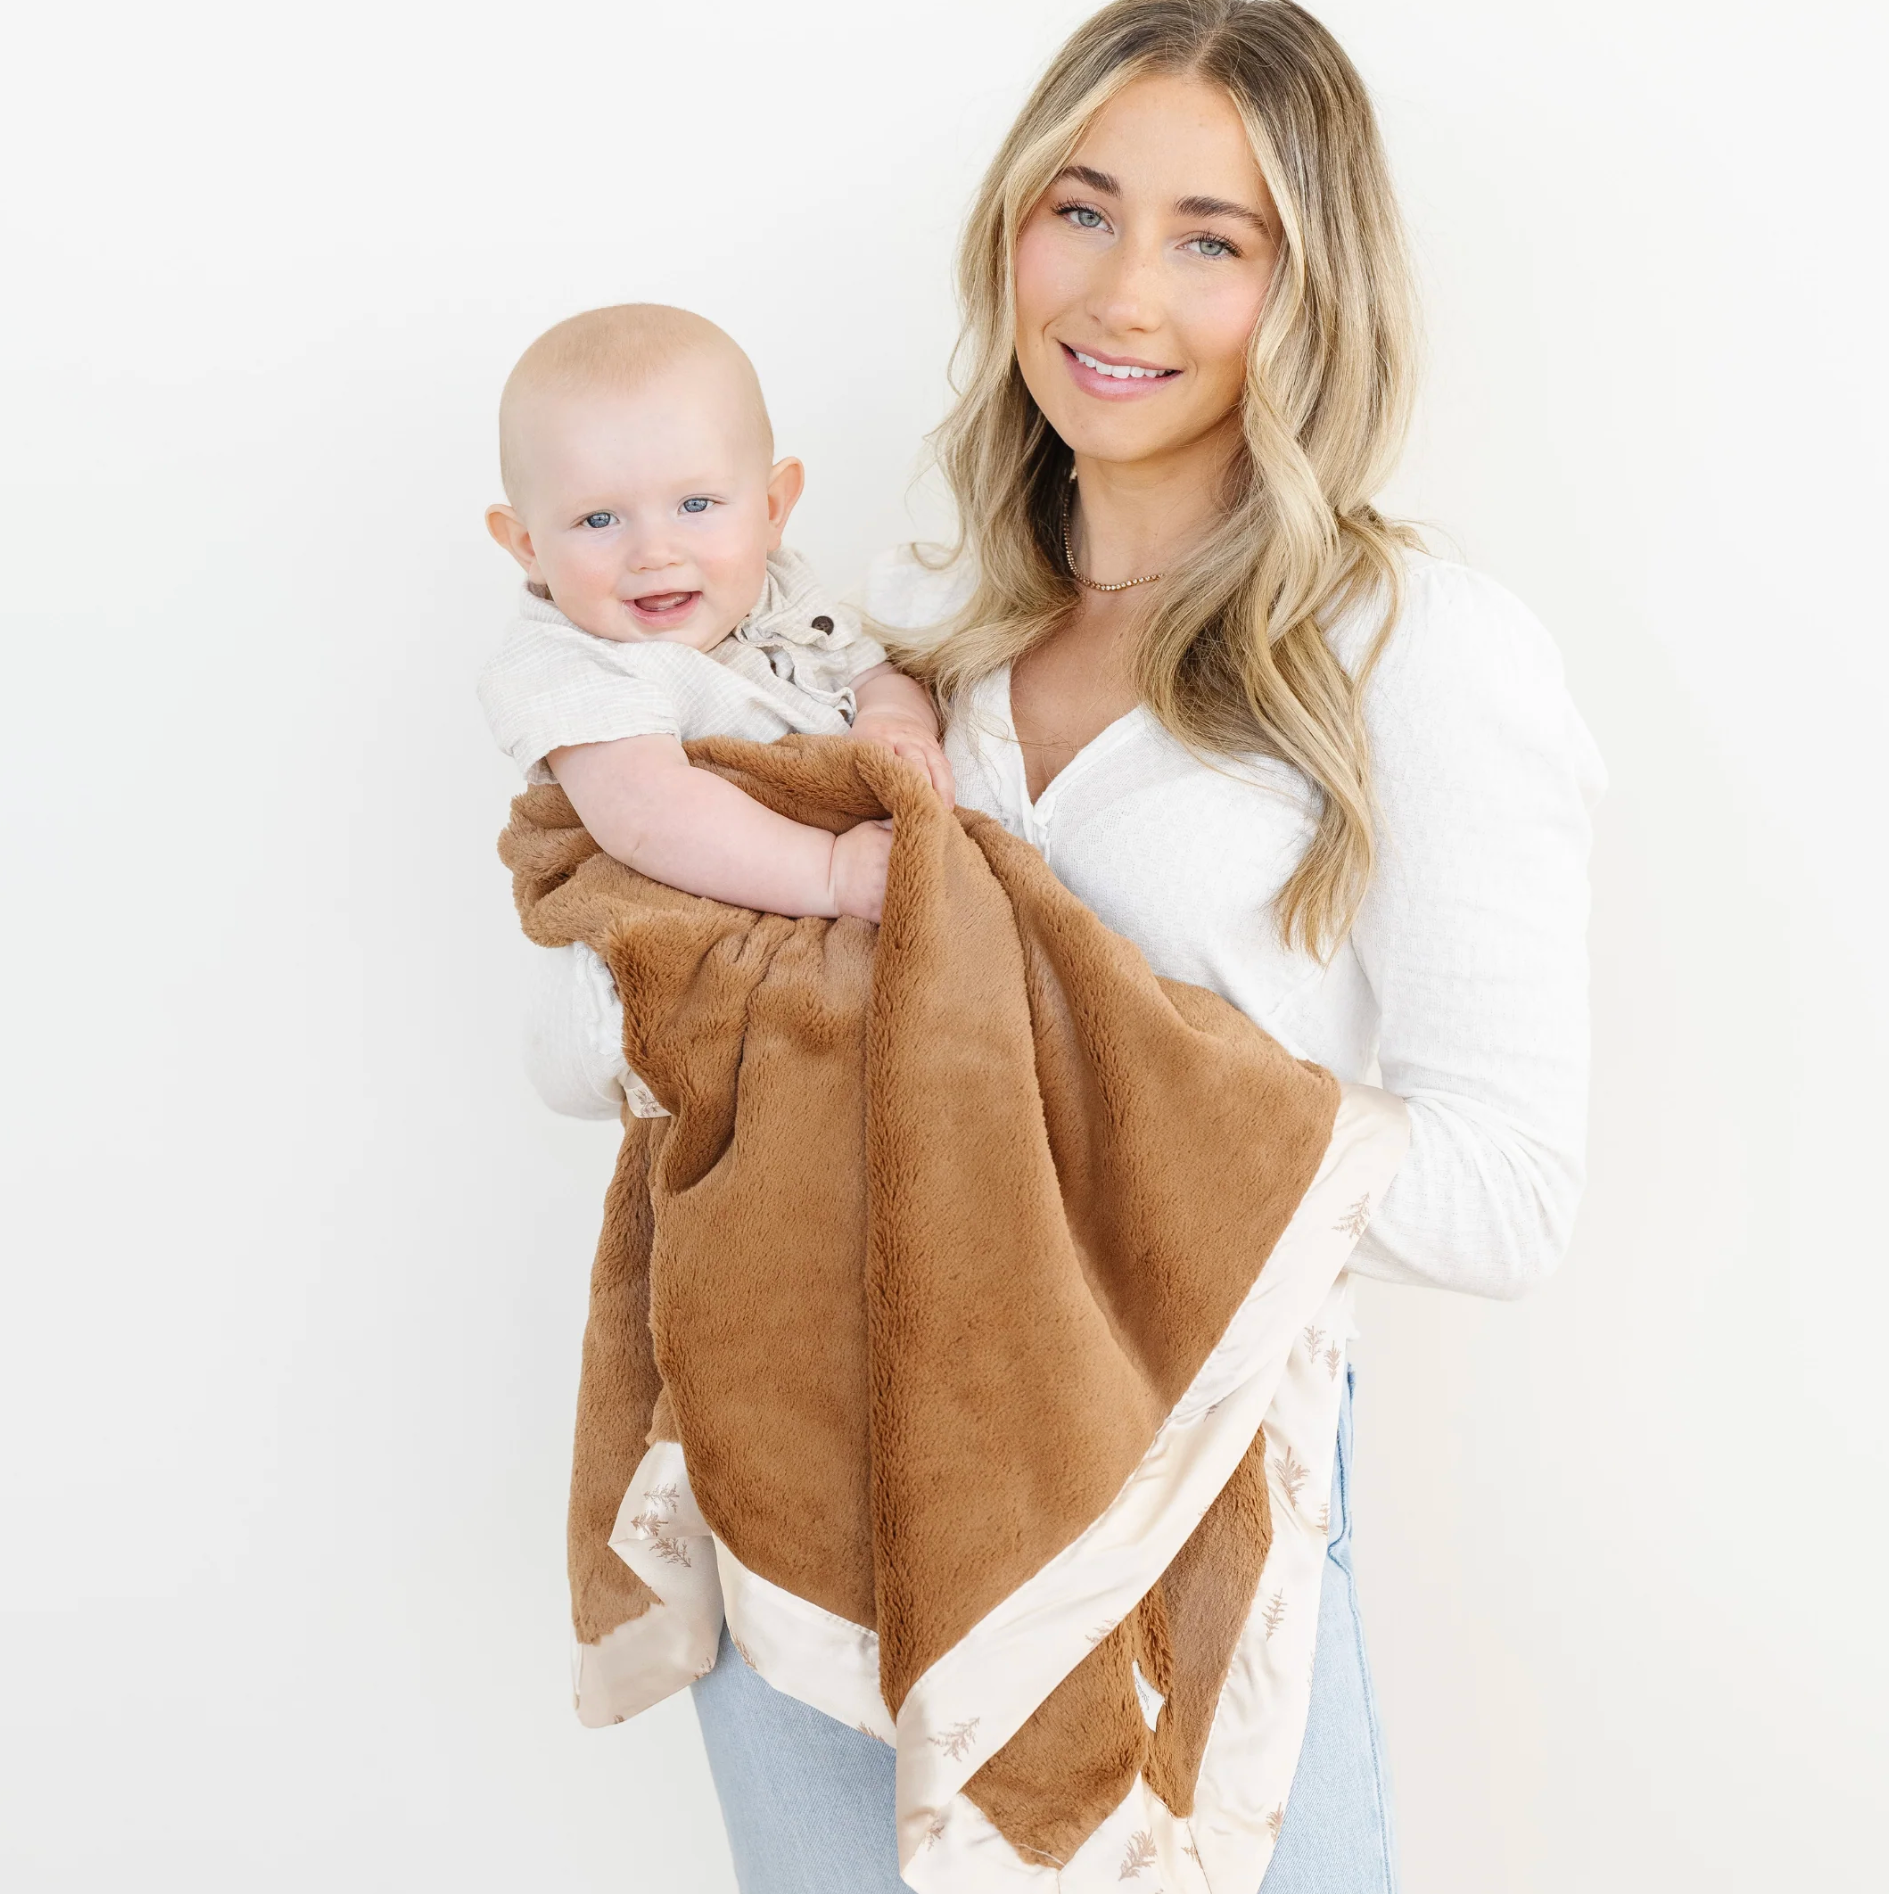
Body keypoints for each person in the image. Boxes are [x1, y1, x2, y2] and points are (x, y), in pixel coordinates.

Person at [521, 3, 1604, 1888]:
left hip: (1183, 1526)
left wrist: (1110, 1078)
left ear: (1310, 287)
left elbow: (1509, 1196)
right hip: (817, 1488)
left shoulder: (1411, 648)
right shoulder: (909, 633)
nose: (1119, 292)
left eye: (1211, 238)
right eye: (1080, 210)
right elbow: (593, 1040)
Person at [479, 303, 950, 929]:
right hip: (736, 906)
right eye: (599, 519)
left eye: (695, 505)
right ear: (528, 546)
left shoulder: (778, 590)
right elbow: (650, 816)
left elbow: (870, 673)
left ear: (772, 509)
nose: (654, 553)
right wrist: (830, 873)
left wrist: (893, 717)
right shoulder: (566, 665)